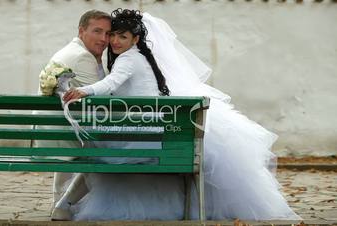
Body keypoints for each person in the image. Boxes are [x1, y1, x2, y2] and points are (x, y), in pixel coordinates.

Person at [63, 9, 301, 221]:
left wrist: (85, 90)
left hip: (143, 131)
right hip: (155, 127)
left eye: (122, 36)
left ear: (135, 39)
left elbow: (111, 83)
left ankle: (64, 203)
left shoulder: (127, 59)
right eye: (113, 35)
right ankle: (65, 203)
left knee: (96, 148)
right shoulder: (141, 57)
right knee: (101, 148)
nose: (114, 40)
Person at [35, 9, 111, 221]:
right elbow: (104, 105)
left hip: (50, 130)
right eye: (97, 31)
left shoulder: (72, 50)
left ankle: (61, 203)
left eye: (107, 33)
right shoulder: (82, 57)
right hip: (63, 134)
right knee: (119, 150)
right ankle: (64, 203)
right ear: (81, 30)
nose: (104, 39)